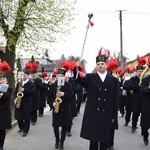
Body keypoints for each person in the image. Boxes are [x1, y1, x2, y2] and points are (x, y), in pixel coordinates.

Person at [73, 47, 120, 150]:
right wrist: (77, 67)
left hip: (106, 112)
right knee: (93, 141)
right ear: (96, 66)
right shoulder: (90, 77)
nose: (100, 66)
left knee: (104, 140)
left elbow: (116, 99)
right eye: (98, 64)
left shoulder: (113, 80)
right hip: (93, 112)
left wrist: (114, 115)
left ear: (106, 65)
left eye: (102, 64)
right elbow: (78, 80)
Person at [47, 65, 73, 150]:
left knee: (65, 127)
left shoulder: (68, 85)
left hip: (65, 109)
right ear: (57, 76)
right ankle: (57, 140)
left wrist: (64, 94)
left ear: (64, 77)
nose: (60, 77)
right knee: (55, 126)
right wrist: (52, 103)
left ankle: (62, 143)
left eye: (62, 76)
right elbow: (49, 97)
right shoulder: (54, 85)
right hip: (56, 109)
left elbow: (72, 96)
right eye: (59, 76)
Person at [14, 68, 35, 137]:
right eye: (23, 75)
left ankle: (25, 131)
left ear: (28, 76)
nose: (24, 76)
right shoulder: (19, 83)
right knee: (18, 116)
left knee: (26, 117)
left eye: (25, 75)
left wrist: (24, 90)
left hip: (27, 102)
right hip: (19, 101)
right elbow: (15, 92)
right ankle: (21, 127)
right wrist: (15, 98)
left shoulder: (31, 83)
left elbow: (33, 92)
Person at [0, 61, 12, 150]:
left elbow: (7, 96)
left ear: (6, 80)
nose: (2, 80)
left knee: (2, 129)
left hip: (4, 111)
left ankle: (1, 146)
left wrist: (2, 95)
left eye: (3, 79)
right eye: (0, 79)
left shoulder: (9, 88)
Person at [139, 58, 150, 145]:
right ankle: (145, 135)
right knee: (145, 125)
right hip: (147, 104)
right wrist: (148, 88)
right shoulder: (146, 79)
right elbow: (141, 90)